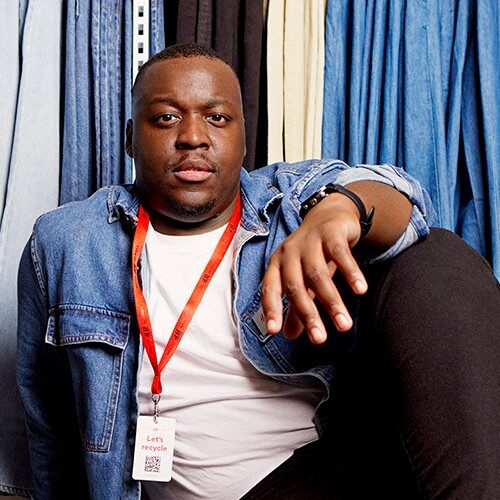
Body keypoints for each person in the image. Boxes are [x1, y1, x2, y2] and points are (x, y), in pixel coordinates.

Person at [17, 43, 499, 499]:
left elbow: (403, 198)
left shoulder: (289, 201)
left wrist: (340, 212)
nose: (192, 136)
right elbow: (48, 422)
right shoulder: (67, 242)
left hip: (338, 466)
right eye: (166, 118)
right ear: (129, 137)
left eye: (217, 118)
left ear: (244, 136)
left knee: (439, 257)